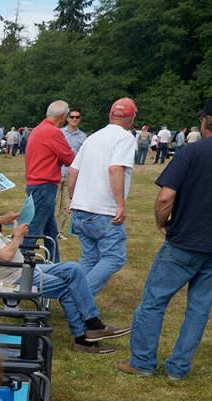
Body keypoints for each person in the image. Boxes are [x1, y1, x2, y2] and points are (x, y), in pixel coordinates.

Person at [120, 95, 212, 380]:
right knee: (199, 310)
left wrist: (163, 224)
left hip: (183, 242)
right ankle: (178, 368)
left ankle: (143, 362)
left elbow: (165, 198)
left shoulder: (191, 152)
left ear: (206, 121)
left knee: (153, 302)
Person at [0, 178, 131, 353]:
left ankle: (92, 326)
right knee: (67, 286)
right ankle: (84, 336)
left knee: (73, 268)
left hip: (19, 268)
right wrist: (17, 236)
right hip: (13, 277)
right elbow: (6, 254)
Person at [66, 98, 138, 295]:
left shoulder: (92, 138)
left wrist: (73, 199)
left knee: (89, 258)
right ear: (132, 118)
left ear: (110, 115)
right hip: (103, 209)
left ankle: (73, 296)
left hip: (81, 208)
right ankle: (77, 299)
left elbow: (72, 171)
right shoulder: (125, 138)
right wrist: (120, 205)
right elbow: (115, 169)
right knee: (114, 257)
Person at [24, 100, 76, 261]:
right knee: (34, 229)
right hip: (44, 186)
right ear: (62, 117)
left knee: (50, 230)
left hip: (36, 184)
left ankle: (54, 262)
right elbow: (69, 158)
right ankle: (20, 265)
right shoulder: (53, 132)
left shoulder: (39, 129)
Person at [57, 107, 88, 236]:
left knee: (66, 206)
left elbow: (85, 157)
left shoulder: (83, 136)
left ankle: (59, 231)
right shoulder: (59, 133)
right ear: (67, 118)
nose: (74, 119)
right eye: (72, 117)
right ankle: (50, 230)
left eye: (77, 117)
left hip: (72, 176)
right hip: (57, 173)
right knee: (53, 205)